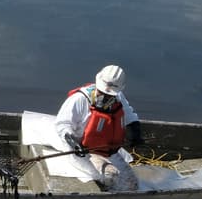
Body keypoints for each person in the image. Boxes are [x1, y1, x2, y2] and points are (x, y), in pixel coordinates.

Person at [54, 64, 143, 192]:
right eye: (103, 92)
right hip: (83, 152)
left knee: (131, 184)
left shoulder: (118, 98)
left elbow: (129, 115)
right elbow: (62, 124)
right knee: (111, 176)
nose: (105, 96)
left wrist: (135, 132)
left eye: (109, 94)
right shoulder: (79, 99)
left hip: (107, 151)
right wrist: (73, 143)